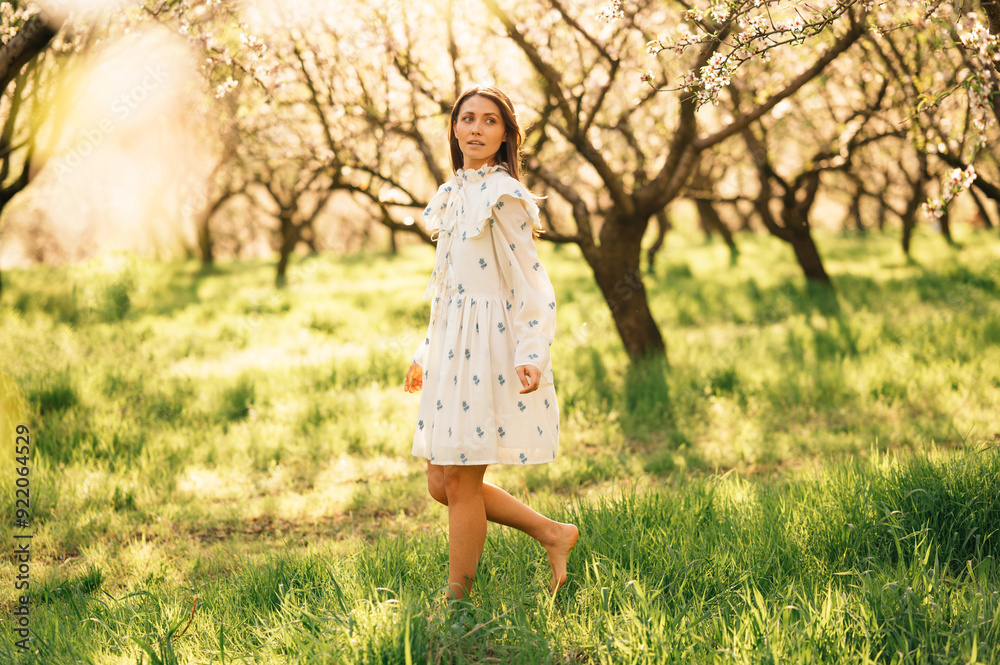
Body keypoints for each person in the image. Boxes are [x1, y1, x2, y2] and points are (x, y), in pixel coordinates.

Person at [403, 85, 578, 601]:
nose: (476, 129)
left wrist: (531, 353)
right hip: (452, 345)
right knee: (442, 482)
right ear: (454, 128)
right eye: (467, 119)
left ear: (506, 135)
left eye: (489, 121)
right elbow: (448, 286)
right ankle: (552, 533)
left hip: (490, 346)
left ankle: (456, 599)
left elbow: (531, 281)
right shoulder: (455, 191)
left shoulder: (504, 195)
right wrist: (426, 351)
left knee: (458, 479)